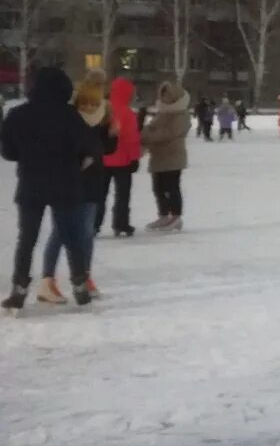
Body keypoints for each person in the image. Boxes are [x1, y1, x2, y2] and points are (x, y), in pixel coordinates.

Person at [1, 67, 101, 313]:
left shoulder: (17, 115)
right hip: (66, 184)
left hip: (31, 184)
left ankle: (19, 289)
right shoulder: (70, 116)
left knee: (27, 239)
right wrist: (77, 162)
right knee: (71, 236)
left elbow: (8, 152)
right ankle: (79, 284)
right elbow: (90, 147)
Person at [39, 73, 117, 302]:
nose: (89, 108)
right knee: (60, 232)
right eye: (85, 103)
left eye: (93, 103)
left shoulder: (102, 118)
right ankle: (48, 279)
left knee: (87, 232)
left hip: (93, 182)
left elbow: (106, 149)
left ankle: (85, 276)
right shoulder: (69, 119)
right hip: (66, 182)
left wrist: (112, 137)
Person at [142, 81, 192, 232]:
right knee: (158, 188)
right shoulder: (162, 113)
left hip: (173, 156)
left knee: (172, 187)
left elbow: (168, 133)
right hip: (158, 156)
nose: (165, 97)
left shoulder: (181, 114)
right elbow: (151, 129)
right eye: (163, 94)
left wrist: (146, 135)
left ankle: (175, 216)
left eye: (168, 94)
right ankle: (164, 215)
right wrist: (145, 133)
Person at [103, 77, 142, 237]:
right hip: (122, 161)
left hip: (102, 160)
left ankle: (93, 224)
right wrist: (135, 158)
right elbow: (131, 139)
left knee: (99, 194)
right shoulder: (128, 113)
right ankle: (121, 223)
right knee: (122, 195)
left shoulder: (103, 109)